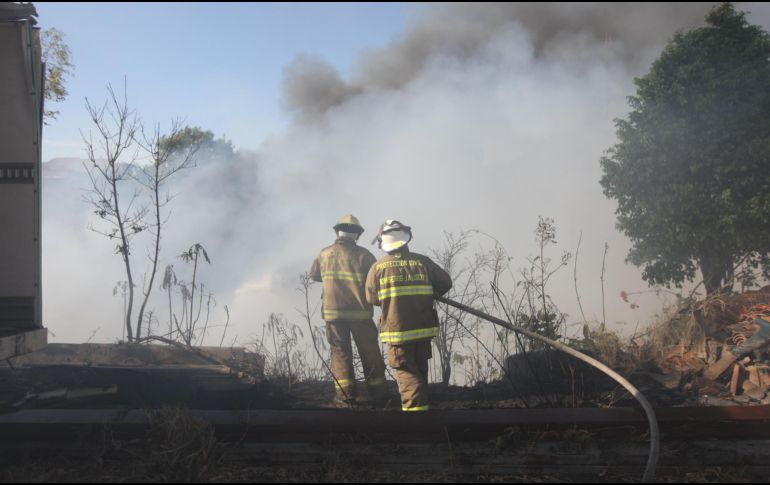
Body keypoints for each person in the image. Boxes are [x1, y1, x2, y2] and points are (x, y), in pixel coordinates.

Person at [365, 220, 452, 411]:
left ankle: (416, 422)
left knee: (407, 375)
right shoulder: (423, 262)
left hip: (398, 333)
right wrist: (428, 293)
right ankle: (425, 411)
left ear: (382, 242)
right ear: (405, 239)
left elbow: (371, 298)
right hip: (423, 329)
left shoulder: (378, 268)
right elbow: (445, 282)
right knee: (420, 372)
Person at [309, 214, 387, 406]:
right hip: (360, 314)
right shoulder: (365, 256)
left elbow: (314, 275)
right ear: (357, 235)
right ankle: (379, 395)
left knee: (340, 353)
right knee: (370, 352)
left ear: (337, 232)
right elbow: (376, 283)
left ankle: (345, 396)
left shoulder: (324, 254)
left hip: (333, 315)